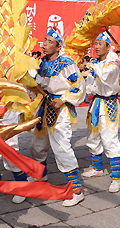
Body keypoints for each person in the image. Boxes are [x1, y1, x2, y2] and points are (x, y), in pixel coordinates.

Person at [31, 28, 86, 206]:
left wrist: (63, 99)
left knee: (62, 147)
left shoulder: (66, 63)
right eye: (44, 40)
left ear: (58, 45)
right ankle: (41, 176)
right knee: (38, 146)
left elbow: (79, 85)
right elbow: (38, 84)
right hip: (45, 108)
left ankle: (77, 190)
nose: (44, 44)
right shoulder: (42, 62)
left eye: (49, 41)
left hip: (60, 111)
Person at [83, 31, 120, 193]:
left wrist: (91, 67)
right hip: (96, 103)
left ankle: (116, 177)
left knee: (109, 138)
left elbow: (105, 76)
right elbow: (90, 84)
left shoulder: (113, 61)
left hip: (109, 104)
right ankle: (97, 168)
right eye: (96, 43)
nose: (96, 46)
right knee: (93, 137)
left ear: (108, 46)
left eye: (100, 43)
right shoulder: (96, 62)